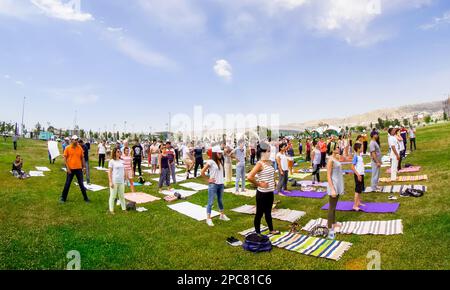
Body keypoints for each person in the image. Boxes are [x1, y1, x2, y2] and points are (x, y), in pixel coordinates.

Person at [247, 141, 279, 235]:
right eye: (268, 151)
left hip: (270, 192)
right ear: (263, 152)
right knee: (259, 214)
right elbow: (249, 177)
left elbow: (271, 173)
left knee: (268, 212)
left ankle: (271, 230)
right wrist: (259, 184)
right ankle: (258, 233)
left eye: (270, 151)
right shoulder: (259, 164)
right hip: (262, 194)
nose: (270, 153)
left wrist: (273, 181)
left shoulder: (269, 162)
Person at [201, 145, 230, 227]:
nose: (220, 154)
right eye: (219, 153)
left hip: (220, 184)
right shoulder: (210, 161)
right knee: (210, 202)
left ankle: (222, 215)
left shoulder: (220, 161)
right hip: (213, 185)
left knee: (220, 200)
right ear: (214, 153)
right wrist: (208, 180)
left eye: (221, 153)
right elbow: (202, 171)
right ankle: (208, 219)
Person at [60, 135, 90, 204]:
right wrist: (67, 168)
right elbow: (65, 158)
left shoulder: (79, 148)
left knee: (81, 184)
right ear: (71, 140)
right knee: (67, 184)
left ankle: (86, 198)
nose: (76, 141)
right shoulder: (67, 148)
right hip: (70, 169)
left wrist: (84, 167)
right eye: (75, 140)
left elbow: (82, 158)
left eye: (77, 140)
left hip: (79, 169)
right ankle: (63, 198)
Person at [326, 145, 344, 240]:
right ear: (332, 149)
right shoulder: (330, 160)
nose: (338, 148)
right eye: (337, 147)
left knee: (334, 206)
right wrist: (332, 189)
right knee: (331, 207)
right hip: (334, 185)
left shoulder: (334, 158)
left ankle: (333, 223)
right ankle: (330, 228)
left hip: (337, 183)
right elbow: (328, 176)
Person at [108, 148, 126, 214]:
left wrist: (125, 178)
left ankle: (124, 209)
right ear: (115, 153)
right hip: (114, 181)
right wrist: (110, 182)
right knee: (113, 196)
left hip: (121, 181)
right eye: (118, 151)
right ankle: (111, 210)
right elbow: (109, 172)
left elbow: (124, 170)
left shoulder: (122, 161)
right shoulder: (111, 161)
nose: (119, 152)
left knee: (122, 196)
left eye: (120, 151)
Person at [351, 143, 365, 211]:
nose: (363, 148)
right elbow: (352, 167)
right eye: (361, 147)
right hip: (358, 175)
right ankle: (355, 205)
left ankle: (358, 202)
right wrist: (358, 175)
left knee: (359, 189)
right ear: (358, 149)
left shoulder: (359, 156)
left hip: (361, 174)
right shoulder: (355, 156)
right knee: (357, 190)